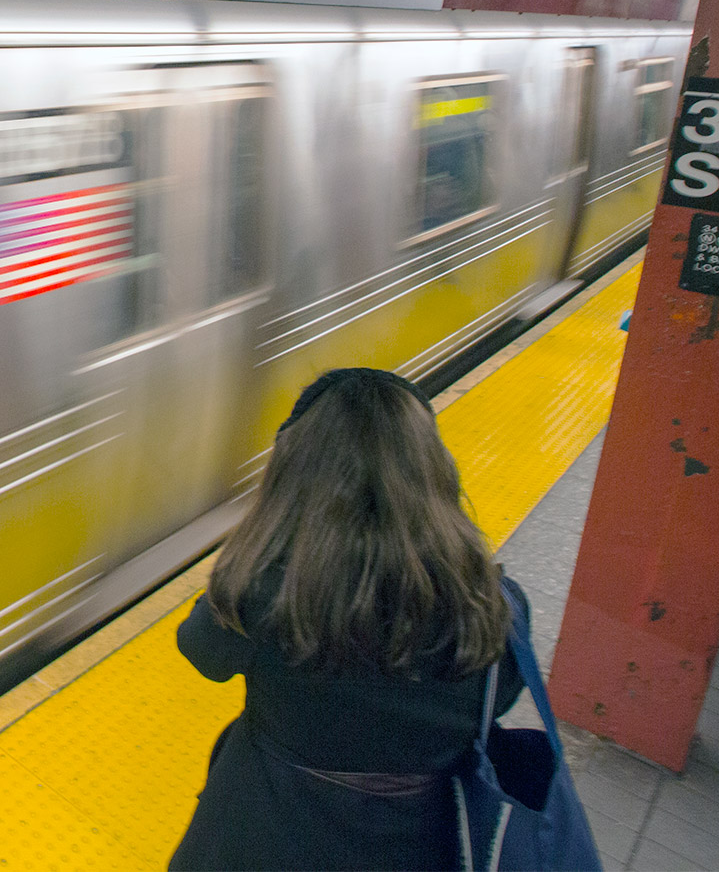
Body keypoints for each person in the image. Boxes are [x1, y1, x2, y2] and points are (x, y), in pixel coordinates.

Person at [171, 368, 526, 871]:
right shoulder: (496, 607)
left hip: (260, 836)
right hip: (420, 846)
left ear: (294, 477)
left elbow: (202, 651)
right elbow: (496, 702)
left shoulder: (265, 592)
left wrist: (257, 552)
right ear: (433, 470)